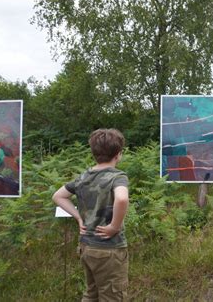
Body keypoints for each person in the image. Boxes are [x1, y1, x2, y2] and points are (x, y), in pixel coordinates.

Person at [52, 128, 130, 301]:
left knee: (91, 293)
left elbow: (58, 196)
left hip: (86, 246)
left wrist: (79, 217)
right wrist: (114, 227)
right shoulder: (117, 177)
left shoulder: (83, 177)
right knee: (112, 296)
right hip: (109, 249)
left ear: (94, 153)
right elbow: (122, 199)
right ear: (118, 154)